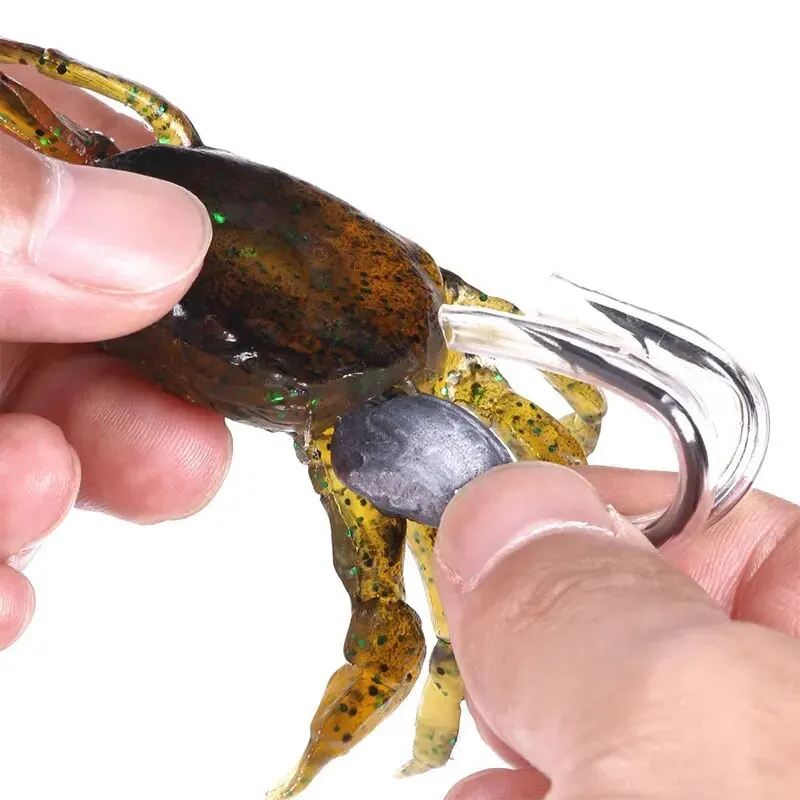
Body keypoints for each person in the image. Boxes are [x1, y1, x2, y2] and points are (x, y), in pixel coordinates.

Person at [2, 66, 799, 799]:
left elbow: (399, 644)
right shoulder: (108, 171)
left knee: (399, 638)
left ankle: (313, 777)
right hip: (163, 205)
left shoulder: (444, 355)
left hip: (382, 385)